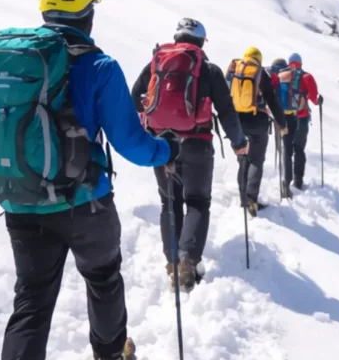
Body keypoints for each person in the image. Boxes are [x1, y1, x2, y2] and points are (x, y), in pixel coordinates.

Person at [0, 0, 178, 360]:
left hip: (22, 200)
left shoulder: (21, 63)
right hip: (87, 202)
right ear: (88, 12)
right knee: (102, 278)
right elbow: (129, 142)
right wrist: (165, 150)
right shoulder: (99, 67)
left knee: (32, 294)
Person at [131, 18, 249, 289]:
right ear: (201, 42)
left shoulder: (156, 64)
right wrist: (239, 142)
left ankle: (172, 261)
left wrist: (150, 129)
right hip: (197, 144)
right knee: (197, 202)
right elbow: (227, 112)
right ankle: (188, 260)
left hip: (162, 145)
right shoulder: (209, 70)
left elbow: (134, 97)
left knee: (169, 203)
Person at [227, 47, 286, 216]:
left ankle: (242, 199)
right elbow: (272, 101)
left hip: (237, 123)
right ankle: (251, 200)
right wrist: (282, 124)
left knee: (243, 161)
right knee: (256, 161)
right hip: (258, 123)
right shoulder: (261, 73)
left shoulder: (234, 70)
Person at [272, 52, 322, 196]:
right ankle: (298, 181)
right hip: (302, 118)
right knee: (299, 149)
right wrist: (319, 101)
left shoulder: (283, 76)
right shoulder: (306, 77)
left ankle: (286, 181)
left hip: (286, 119)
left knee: (287, 150)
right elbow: (314, 98)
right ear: (300, 63)